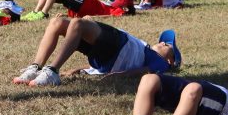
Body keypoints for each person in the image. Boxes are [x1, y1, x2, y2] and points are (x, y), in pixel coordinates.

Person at [12, 17, 180, 87]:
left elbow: (144, 71)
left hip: (118, 44)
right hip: (109, 52)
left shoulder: (161, 63)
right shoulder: (146, 49)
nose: (163, 42)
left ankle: (52, 71)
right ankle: (35, 67)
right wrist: (81, 69)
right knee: (57, 22)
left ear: (171, 61)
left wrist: (119, 76)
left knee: (78, 24)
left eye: (168, 46)